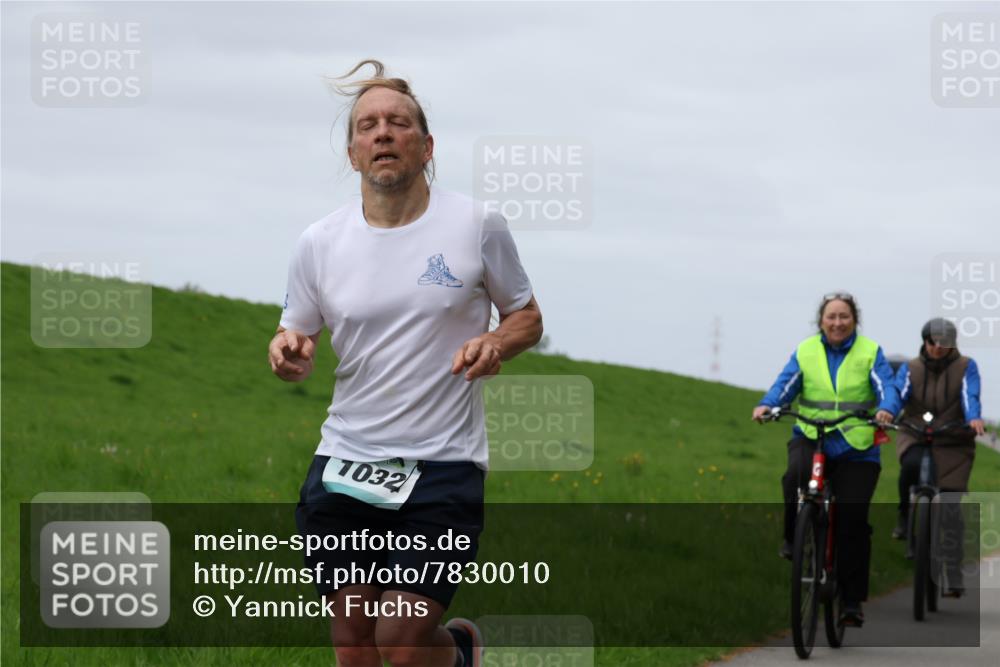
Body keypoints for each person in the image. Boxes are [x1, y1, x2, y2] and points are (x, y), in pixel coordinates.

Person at [269, 59, 543, 667]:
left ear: (426, 145)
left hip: (442, 465)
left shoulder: (476, 225)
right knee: (354, 639)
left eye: (398, 122)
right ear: (352, 152)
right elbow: (297, 331)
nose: (383, 133)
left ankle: (461, 653)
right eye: (368, 125)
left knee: (402, 638)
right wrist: (288, 349)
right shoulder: (319, 242)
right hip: (346, 458)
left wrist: (495, 342)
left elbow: (527, 317)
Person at [752, 293, 899, 627]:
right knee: (794, 477)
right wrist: (767, 404)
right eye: (831, 316)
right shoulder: (806, 351)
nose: (837, 323)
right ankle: (794, 537)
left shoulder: (869, 352)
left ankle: (850, 601)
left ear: (854, 320)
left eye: (844, 316)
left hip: (856, 446)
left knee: (852, 518)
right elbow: (785, 385)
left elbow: (887, 386)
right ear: (821, 321)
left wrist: (887, 408)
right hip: (811, 435)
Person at [891, 318, 985, 598]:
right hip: (916, 433)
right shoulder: (910, 368)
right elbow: (899, 394)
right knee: (909, 465)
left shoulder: (967, 366)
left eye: (944, 343)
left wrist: (973, 418)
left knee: (952, 505)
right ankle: (905, 516)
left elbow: (970, 396)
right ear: (924, 341)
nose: (938, 348)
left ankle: (953, 574)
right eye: (933, 342)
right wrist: (887, 410)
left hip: (954, 438)